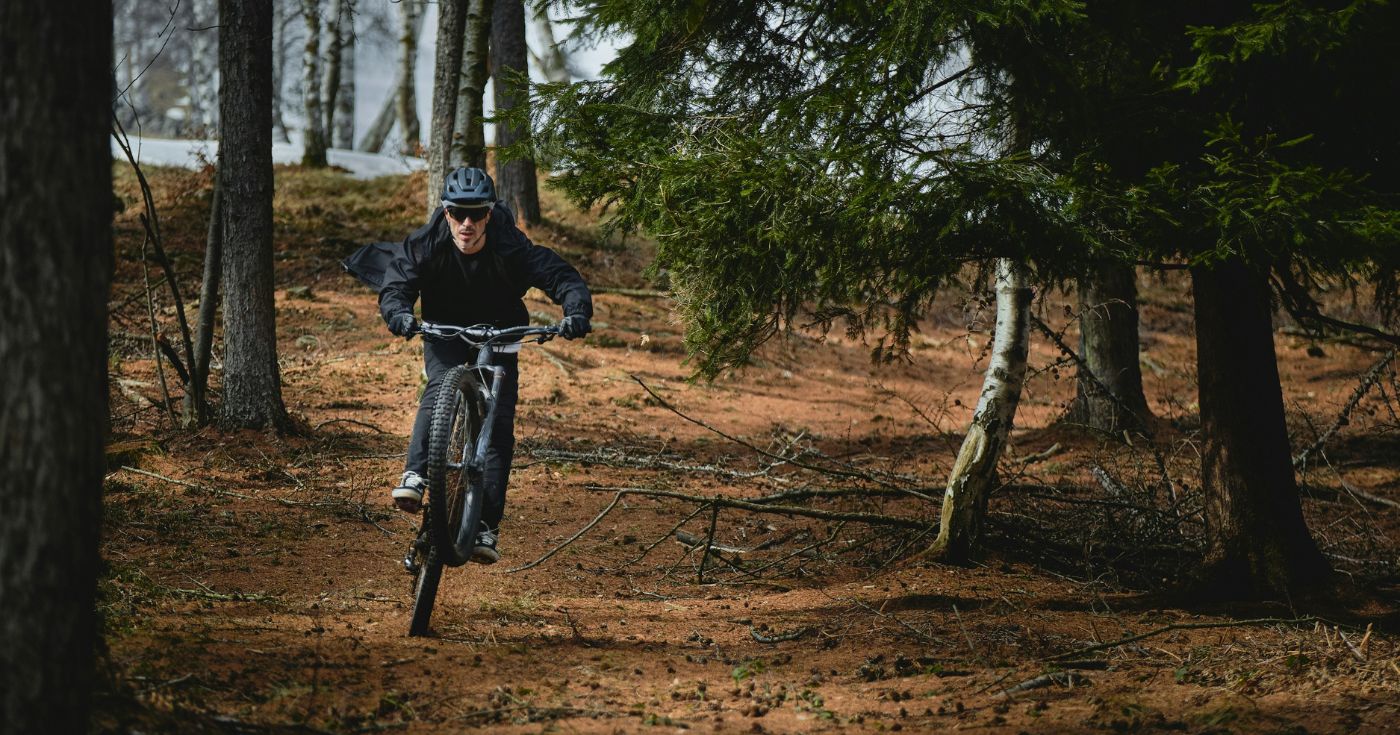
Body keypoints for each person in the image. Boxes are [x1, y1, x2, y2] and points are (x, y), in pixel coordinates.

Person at [377, 167, 592, 563]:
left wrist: (575, 312)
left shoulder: (510, 245)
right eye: (458, 213)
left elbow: (560, 275)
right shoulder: (429, 243)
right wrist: (399, 314)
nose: (467, 223)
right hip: (445, 330)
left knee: (498, 428)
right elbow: (396, 283)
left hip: (502, 333)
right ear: (445, 213)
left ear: (490, 213)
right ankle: (416, 474)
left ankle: (486, 528)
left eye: (476, 213)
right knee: (440, 385)